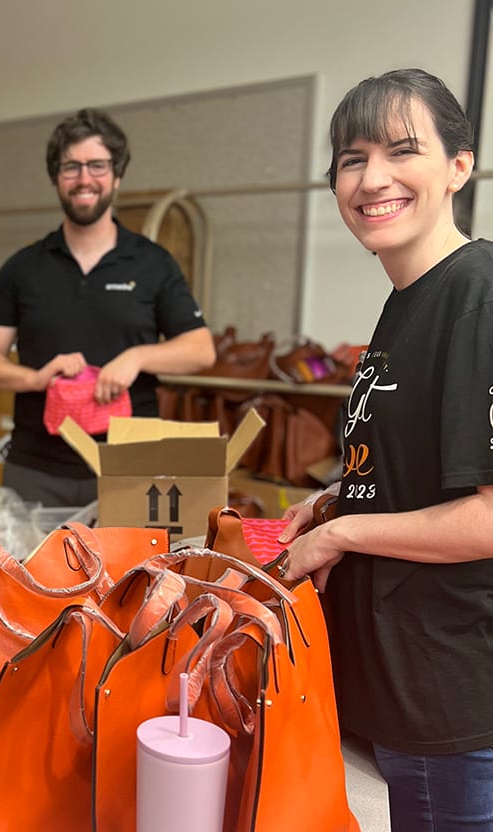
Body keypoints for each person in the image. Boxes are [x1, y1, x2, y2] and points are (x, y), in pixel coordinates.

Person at [277, 69, 493, 830]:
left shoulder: (480, 295)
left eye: (403, 151)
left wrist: (342, 533)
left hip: (455, 694)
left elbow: (488, 519)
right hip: (404, 684)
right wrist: (336, 500)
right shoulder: (408, 301)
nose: (372, 179)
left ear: (458, 166)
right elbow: (422, 474)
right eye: (350, 158)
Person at [0, 108, 216, 507]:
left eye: (97, 165)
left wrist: (137, 357)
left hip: (131, 466)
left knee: (131, 573)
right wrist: (34, 379)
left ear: (117, 177)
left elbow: (201, 350)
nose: (85, 178)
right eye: (71, 167)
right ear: (56, 179)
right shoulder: (23, 268)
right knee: (30, 570)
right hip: (36, 470)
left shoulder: (152, 263)